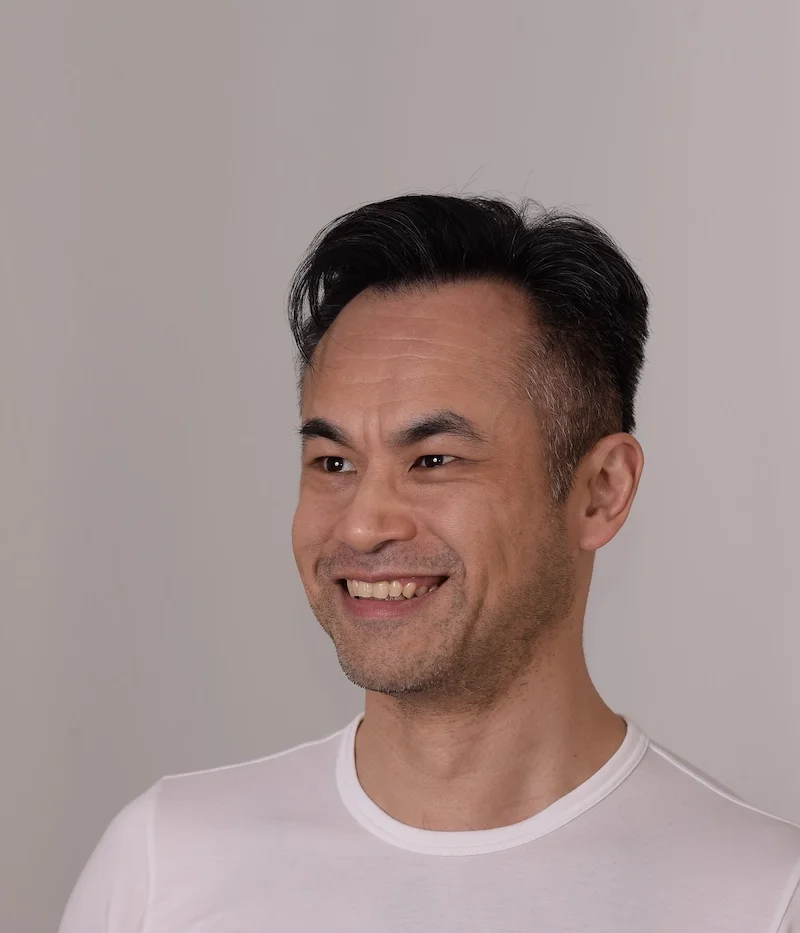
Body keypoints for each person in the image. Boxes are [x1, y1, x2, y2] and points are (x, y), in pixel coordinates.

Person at [59, 194, 800, 932]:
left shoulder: (759, 895)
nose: (362, 521)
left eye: (434, 458)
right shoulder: (165, 862)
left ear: (600, 492)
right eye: (333, 460)